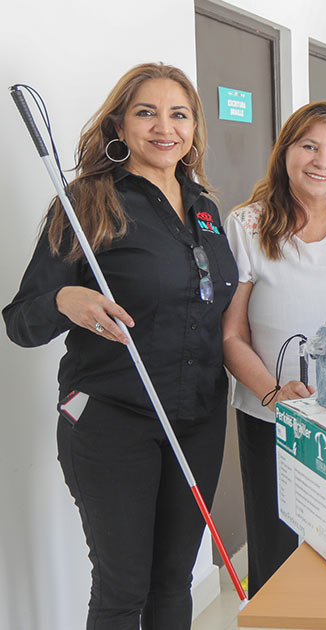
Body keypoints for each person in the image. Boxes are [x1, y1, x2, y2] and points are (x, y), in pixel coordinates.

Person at [3, 63, 236, 629]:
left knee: (174, 583)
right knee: (122, 589)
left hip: (198, 419)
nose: (165, 127)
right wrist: (67, 301)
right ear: (119, 124)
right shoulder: (88, 202)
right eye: (146, 112)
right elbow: (21, 320)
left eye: (178, 114)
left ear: (194, 127)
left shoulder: (204, 206)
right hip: (111, 423)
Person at [221, 101, 326, 596]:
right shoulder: (248, 225)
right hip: (272, 419)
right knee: (276, 554)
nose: (322, 161)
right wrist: (274, 394)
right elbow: (231, 335)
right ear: (286, 151)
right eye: (309, 146)